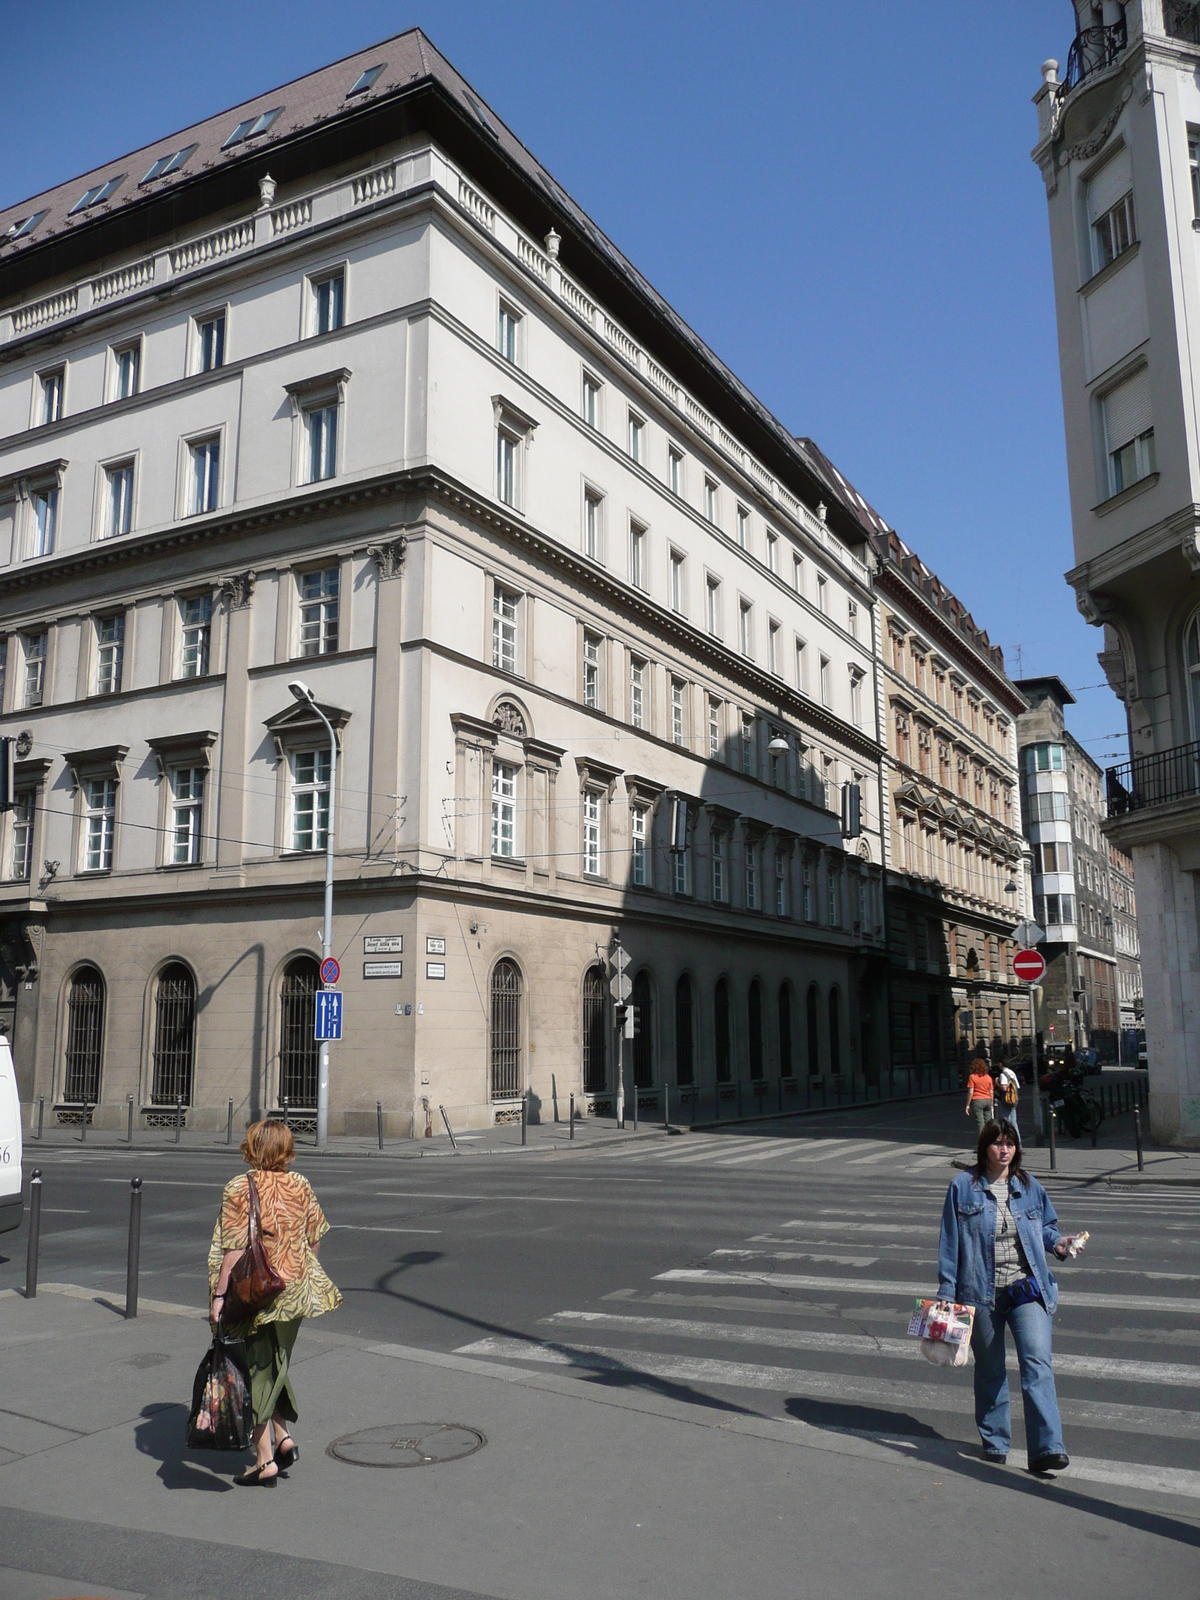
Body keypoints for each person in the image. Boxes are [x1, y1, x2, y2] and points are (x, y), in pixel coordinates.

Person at [937, 1118, 1085, 1473]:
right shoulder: (962, 1187)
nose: (1004, 1150)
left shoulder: (1029, 1186)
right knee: (990, 1370)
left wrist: (1060, 1243)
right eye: (997, 1143)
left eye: (1010, 1143)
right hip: (979, 1291)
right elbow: (950, 1243)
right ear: (984, 1147)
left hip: (1025, 1286)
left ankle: (1047, 1448)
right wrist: (946, 1291)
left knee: (1037, 1362)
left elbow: (1047, 1228)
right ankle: (996, 1442)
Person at [208, 1118, 341, 1486]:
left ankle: (264, 1461)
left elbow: (234, 1251)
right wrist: (298, 1267)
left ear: (252, 1147)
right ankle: (282, 1440)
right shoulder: (300, 1184)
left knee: (255, 1371)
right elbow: (315, 1237)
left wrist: (220, 1297)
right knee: (273, 1362)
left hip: (256, 1292)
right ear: (286, 1149)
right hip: (293, 1292)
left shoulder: (239, 1186)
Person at [964, 1055, 994, 1135]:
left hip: (977, 1101)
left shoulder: (972, 1077)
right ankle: (990, 1141)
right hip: (987, 1100)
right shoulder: (988, 1077)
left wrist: (968, 1105)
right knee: (988, 1123)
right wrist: (991, 1103)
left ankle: (982, 1143)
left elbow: (970, 1091)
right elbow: (991, 1091)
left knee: (980, 1123)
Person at [995, 1062, 1020, 1134]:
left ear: (1000, 1064)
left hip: (1007, 1100)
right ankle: (1017, 1141)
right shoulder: (1011, 1072)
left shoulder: (1003, 1074)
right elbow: (1017, 1086)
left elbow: (1004, 1088)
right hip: (1014, 1098)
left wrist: (997, 1083)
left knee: (1006, 1122)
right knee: (1013, 1122)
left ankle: (1013, 1140)